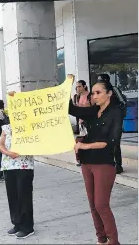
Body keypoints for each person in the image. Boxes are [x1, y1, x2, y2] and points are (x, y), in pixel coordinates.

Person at [69, 77, 122, 245]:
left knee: (101, 205)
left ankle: (113, 241)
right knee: (93, 205)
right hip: (87, 163)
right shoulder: (93, 111)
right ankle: (101, 239)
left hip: (104, 163)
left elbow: (111, 141)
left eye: (98, 92)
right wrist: (65, 89)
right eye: (93, 93)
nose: (94, 96)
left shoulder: (116, 112)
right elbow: (71, 109)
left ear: (109, 94)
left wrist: (85, 146)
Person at [0, 97, 35, 239]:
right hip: (8, 165)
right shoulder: (6, 127)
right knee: (12, 196)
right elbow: (1, 144)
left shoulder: (30, 127)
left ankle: (27, 227)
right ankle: (17, 223)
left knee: (24, 196)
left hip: (24, 166)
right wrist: (8, 153)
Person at [97, 74, 127, 174]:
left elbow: (122, 103)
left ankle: (118, 166)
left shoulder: (114, 89)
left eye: (101, 81)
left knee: (115, 144)